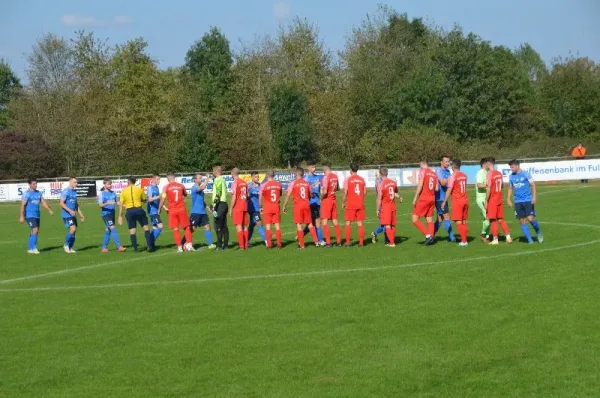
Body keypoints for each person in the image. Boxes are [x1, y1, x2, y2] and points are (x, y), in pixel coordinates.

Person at [507, 160, 543, 244]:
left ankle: (538, 232)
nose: (511, 169)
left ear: (517, 166)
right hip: (518, 201)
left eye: (512, 167)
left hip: (527, 200)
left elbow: (533, 185)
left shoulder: (526, 174)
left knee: (530, 219)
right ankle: (530, 240)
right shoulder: (511, 176)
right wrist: (508, 199)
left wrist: (534, 197)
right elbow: (510, 188)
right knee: (522, 221)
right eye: (510, 167)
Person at [283, 167, 320, 249]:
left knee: (299, 225)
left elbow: (288, 195)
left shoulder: (293, 183)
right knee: (310, 224)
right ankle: (316, 242)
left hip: (298, 206)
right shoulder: (307, 183)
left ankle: (302, 245)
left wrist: (284, 206)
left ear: (296, 174)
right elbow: (311, 195)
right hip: (306, 205)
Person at [158, 173, 194, 252]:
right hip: (181, 209)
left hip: (172, 210)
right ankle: (190, 245)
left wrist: (159, 208)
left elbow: (163, 198)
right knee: (186, 227)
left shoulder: (166, 187)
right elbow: (185, 194)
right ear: (175, 178)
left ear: (168, 179)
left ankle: (179, 247)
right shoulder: (181, 186)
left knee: (175, 228)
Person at [118, 176, 155, 252]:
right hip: (139, 210)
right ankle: (149, 246)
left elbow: (121, 204)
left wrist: (120, 216)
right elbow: (144, 199)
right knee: (146, 228)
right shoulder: (140, 189)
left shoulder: (123, 191)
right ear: (135, 181)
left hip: (129, 211)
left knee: (132, 231)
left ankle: (136, 249)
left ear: (128, 181)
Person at [19, 178, 54, 254]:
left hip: (37, 215)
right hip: (29, 215)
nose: (35, 185)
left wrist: (49, 209)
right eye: (34, 184)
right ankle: (34, 248)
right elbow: (22, 205)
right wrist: (21, 216)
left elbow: (43, 202)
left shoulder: (38, 193)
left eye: (36, 183)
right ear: (30, 185)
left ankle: (30, 248)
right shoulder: (26, 194)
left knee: (33, 231)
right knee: (35, 230)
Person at [441, 160, 469, 247]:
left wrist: (444, 201)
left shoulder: (453, 176)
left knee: (458, 221)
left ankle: (464, 241)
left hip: (457, 201)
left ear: (453, 167)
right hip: (465, 199)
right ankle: (465, 239)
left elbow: (449, 189)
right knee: (464, 221)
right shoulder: (464, 175)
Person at [185, 173, 216, 250]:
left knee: (207, 226)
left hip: (203, 212)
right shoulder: (194, 187)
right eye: (199, 178)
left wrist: (208, 208)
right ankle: (184, 242)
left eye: (201, 178)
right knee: (192, 229)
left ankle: (210, 244)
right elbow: (202, 187)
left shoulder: (200, 189)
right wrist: (207, 179)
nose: (201, 179)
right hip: (196, 212)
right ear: (195, 180)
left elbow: (202, 200)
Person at [486, 158, 512, 245]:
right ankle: (508, 236)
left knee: (492, 219)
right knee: (500, 219)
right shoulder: (499, 173)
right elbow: (502, 185)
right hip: (499, 198)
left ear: (489, 164)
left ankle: (495, 239)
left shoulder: (490, 174)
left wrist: (486, 200)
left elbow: (489, 188)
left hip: (492, 200)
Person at [412, 160, 438, 245]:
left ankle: (428, 236)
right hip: (432, 198)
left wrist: (415, 198)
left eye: (420, 166)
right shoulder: (434, 174)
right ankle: (431, 237)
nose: (420, 168)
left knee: (414, 219)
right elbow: (437, 188)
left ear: (423, 165)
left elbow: (420, 185)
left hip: (424, 198)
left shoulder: (423, 172)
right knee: (429, 219)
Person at [97, 178, 126, 253]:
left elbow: (118, 202)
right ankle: (119, 247)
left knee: (108, 230)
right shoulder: (102, 194)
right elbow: (100, 205)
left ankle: (104, 248)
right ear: (104, 184)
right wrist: (107, 203)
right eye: (108, 184)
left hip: (112, 214)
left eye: (110, 184)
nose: (110, 185)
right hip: (106, 214)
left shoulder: (113, 193)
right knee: (113, 228)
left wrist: (125, 205)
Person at [343, 162, 367, 247]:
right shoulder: (362, 179)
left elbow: (345, 193)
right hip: (360, 204)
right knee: (360, 223)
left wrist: (343, 202)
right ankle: (361, 242)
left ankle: (348, 242)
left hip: (350, 204)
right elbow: (364, 192)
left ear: (350, 170)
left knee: (348, 223)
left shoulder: (348, 179)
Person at [376, 167, 401, 247]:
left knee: (387, 225)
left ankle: (392, 243)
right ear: (387, 173)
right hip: (393, 205)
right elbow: (396, 191)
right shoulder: (393, 182)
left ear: (380, 174)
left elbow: (379, 199)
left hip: (386, 207)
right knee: (392, 225)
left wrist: (377, 209)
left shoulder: (381, 184)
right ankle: (392, 241)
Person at [60, 177, 85, 254]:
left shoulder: (74, 192)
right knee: (73, 229)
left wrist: (81, 215)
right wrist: (70, 210)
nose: (76, 184)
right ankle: (66, 245)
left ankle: (70, 247)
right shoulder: (65, 191)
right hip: (67, 214)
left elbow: (76, 205)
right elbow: (61, 203)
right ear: (70, 182)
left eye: (76, 182)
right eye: (75, 182)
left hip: (73, 214)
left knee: (74, 232)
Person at [302, 161, 325, 245]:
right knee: (317, 223)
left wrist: (321, 192)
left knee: (312, 222)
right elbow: (305, 191)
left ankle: (300, 235)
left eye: (315, 167)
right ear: (308, 168)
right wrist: (312, 185)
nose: (314, 169)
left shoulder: (317, 177)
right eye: (312, 167)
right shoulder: (306, 179)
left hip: (317, 202)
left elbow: (319, 190)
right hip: (310, 203)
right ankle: (321, 240)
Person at [260, 169, 283, 249]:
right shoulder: (278, 185)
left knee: (268, 227)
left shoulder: (264, 185)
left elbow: (261, 196)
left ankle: (269, 245)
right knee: (277, 226)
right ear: (274, 175)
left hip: (267, 208)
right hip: (276, 207)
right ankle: (279, 244)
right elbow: (280, 195)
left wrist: (260, 206)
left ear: (267, 176)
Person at [320, 163, 342, 247]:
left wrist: (321, 197)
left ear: (325, 170)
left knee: (324, 222)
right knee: (335, 221)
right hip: (333, 200)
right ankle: (339, 241)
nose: (323, 173)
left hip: (327, 200)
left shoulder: (326, 177)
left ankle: (328, 242)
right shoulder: (335, 176)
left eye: (323, 171)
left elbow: (325, 192)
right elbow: (338, 188)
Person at [435, 155, 456, 242]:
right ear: (441, 162)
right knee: (447, 216)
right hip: (439, 198)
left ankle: (430, 235)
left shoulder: (448, 171)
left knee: (440, 219)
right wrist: (451, 177)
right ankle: (452, 238)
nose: (448, 163)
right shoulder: (439, 171)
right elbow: (443, 183)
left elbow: (449, 184)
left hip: (444, 198)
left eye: (448, 162)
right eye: (446, 161)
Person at [230, 168, 249, 250]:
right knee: (245, 226)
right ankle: (246, 245)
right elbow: (248, 195)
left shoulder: (235, 182)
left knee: (239, 226)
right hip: (245, 206)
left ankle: (241, 246)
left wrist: (230, 208)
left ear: (232, 173)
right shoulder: (244, 182)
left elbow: (234, 197)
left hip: (238, 207)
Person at [211, 166, 229, 251]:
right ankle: (225, 245)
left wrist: (214, 204)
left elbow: (218, 192)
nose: (213, 173)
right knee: (224, 225)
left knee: (218, 224)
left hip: (219, 204)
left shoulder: (217, 180)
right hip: (224, 204)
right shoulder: (223, 179)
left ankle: (219, 246)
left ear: (216, 171)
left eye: (213, 171)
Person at [247, 171, 267, 246]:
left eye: (258, 176)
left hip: (257, 208)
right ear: (251, 177)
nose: (257, 178)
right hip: (252, 208)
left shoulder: (260, 186)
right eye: (256, 177)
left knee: (252, 224)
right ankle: (267, 241)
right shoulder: (248, 185)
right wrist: (248, 190)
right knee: (259, 223)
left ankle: (246, 241)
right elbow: (244, 195)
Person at [371, 168, 390, 245]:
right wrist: (378, 209)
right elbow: (379, 196)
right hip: (383, 204)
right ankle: (387, 241)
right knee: (386, 224)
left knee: (383, 224)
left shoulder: (380, 182)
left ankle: (374, 233)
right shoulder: (381, 183)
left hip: (384, 203)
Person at [475, 158, 491, 242]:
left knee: (487, 219)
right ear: (484, 164)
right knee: (488, 217)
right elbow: (479, 184)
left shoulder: (487, 173)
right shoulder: (480, 173)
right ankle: (483, 234)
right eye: (488, 163)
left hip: (487, 198)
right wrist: (488, 185)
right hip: (481, 198)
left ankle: (487, 236)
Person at [146, 173, 164, 243]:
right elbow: (150, 199)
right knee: (160, 226)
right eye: (157, 179)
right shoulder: (150, 187)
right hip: (152, 211)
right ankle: (150, 242)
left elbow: (158, 200)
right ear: (153, 179)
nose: (159, 181)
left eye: (159, 179)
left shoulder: (156, 188)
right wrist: (159, 196)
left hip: (156, 210)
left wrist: (164, 208)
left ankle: (150, 244)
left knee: (155, 227)